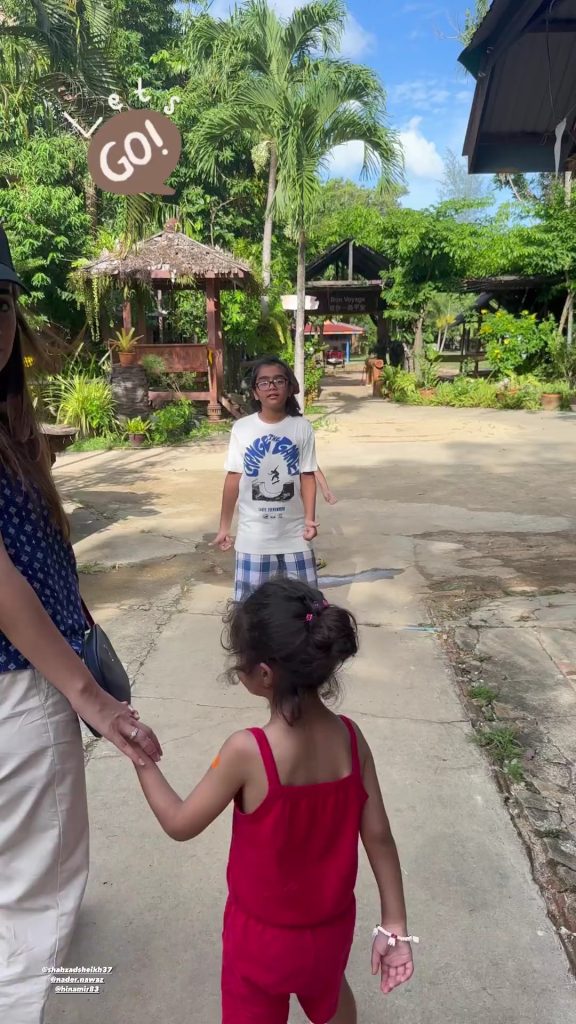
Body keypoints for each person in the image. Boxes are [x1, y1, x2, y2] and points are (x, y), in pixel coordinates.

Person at [0, 224, 162, 1024]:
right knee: (36, 910)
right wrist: (91, 698)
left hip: (41, 668)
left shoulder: (11, 427)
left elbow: (42, 558)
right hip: (19, 686)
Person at [133, 578, 415, 1023]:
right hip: (330, 930)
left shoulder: (248, 751)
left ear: (263, 674)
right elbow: (378, 836)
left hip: (260, 940)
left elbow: (180, 822)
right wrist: (394, 925)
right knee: (331, 995)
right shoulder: (350, 737)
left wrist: (141, 760)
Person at [213, 356, 319, 601]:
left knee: (307, 611)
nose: (272, 386)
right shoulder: (243, 429)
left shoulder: (301, 427)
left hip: (295, 539)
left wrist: (310, 520)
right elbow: (233, 479)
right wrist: (224, 527)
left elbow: (308, 475)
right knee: (250, 615)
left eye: (278, 380)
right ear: (255, 392)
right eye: (264, 382)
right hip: (254, 542)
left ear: (289, 387)